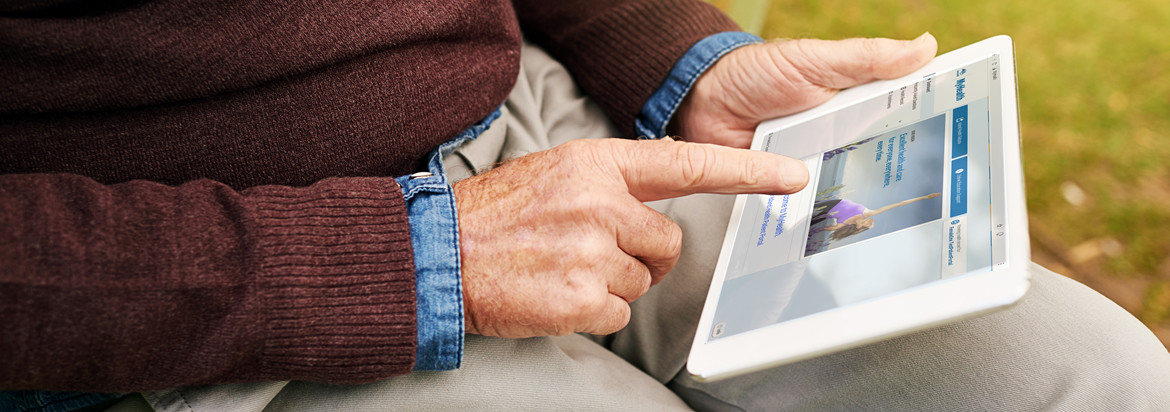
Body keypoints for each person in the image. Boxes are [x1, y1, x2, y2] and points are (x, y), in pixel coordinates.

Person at [1, 1, 1167, 411]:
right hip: (226, 290)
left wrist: (688, 63)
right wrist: (411, 261)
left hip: (564, 133)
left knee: (1099, 379)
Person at [812, 193, 942, 240]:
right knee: (814, 205)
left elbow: (831, 228)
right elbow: (899, 204)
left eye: (869, 224)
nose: (871, 221)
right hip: (836, 202)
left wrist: (817, 230)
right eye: (871, 222)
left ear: (859, 227)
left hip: (828, 213)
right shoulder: (869, 213)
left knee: (813, 221)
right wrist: (925, 197)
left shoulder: (844, 225)